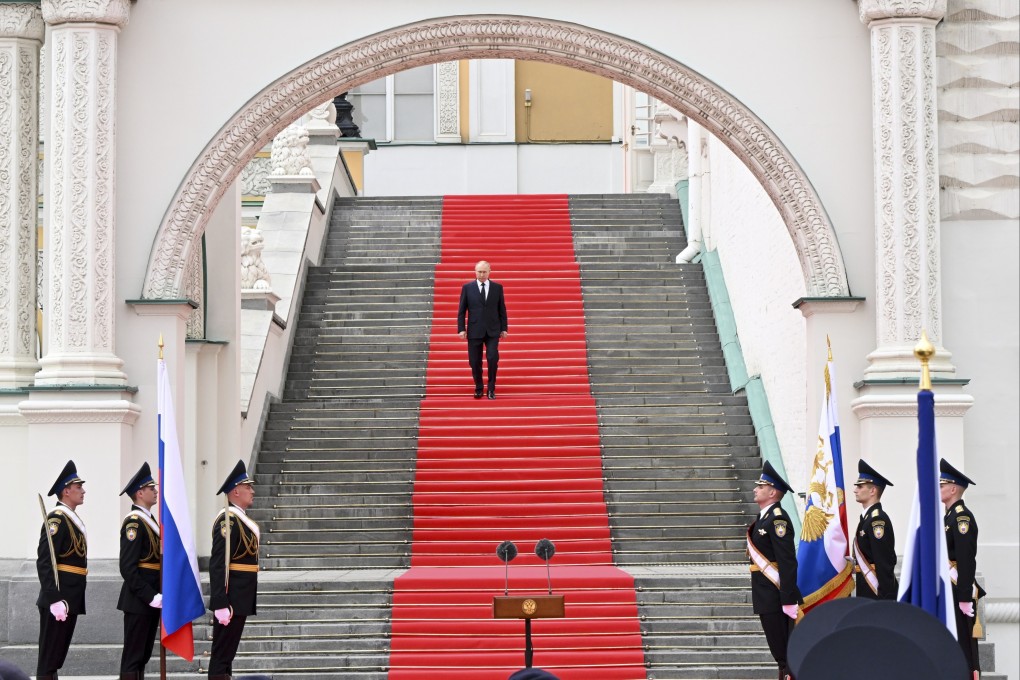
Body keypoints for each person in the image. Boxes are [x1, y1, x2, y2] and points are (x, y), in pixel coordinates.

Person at [748, 460, 802, 680]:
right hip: (765, 593)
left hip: (776, 594)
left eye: (760, 487)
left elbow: (787, 561)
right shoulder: (765, 518)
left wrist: (788, 598)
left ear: (772, 492)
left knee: (784, 652)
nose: (755, 489)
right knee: (778, 651)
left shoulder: (777, 519)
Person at [208, 460, 260, 680]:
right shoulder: (228, 520)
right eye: (248, 487)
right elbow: (218, 563)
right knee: (221, 657)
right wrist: (220, 601)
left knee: (227, 657)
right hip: (231, 599)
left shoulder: (240, 519)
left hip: (240, 597)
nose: (252, 491)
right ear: (236, 491)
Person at [36, 460, 88, 680]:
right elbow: (45, 561)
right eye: (78, 487)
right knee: (49, 660)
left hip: (70, 597)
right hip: (59, 599)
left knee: (56, 659)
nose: (83, 491)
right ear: (66, 491)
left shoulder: (72, 519)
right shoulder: (57, 519)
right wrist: (54, 599)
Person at [940, 458, 985, 678]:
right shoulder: (949, 517)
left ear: (953, 488)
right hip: (950, 589)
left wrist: (965, 596)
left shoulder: (961, 518)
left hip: (959, 590)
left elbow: (966, 559)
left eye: (942, 485)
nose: (938, 488)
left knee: (965, 650)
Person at [117, 462, 162, 680]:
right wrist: (150, 595)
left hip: (152, 597)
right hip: (139, 600)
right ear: (139, 492)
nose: (155, 491)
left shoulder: (150, 521)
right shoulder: (134, 522)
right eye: (151, 488)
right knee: (133, 657)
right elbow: (127, 567)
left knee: (142, 656)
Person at [457, 260, 508, 399]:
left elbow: (501, 309)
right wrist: (461, 329)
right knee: (474, 361)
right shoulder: (467, 287)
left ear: (490, 271)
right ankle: (479, 387)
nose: (482, 274)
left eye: (484, 271)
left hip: (493, 330)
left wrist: (504, 328)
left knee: (492, 358)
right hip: (474, 330)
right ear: (475, 271)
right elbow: (462, 310)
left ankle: (491, 388)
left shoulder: (497, 287)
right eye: (479, 271)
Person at [851, 459, 898, 599]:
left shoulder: (877, 520)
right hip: (866, 588)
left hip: (876, 592)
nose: (855, 490)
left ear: (872, 490)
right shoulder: (867, 519)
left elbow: (884, 562)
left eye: (860, 487)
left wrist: (886, 598)